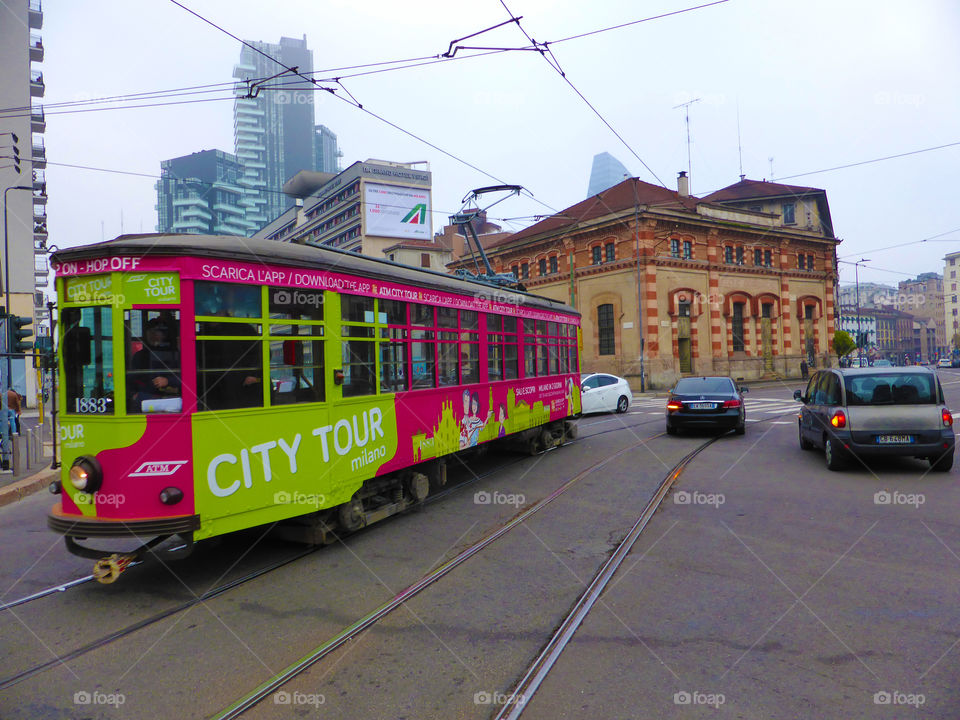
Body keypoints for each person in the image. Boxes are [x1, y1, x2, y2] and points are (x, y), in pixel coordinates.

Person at [129, 318, 181, 408]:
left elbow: (189, 377)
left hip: (172, 401)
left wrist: (168, 381)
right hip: (145, 400)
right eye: (150, 332)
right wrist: (134, 394)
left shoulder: (175, 354)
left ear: (164, 335)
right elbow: (132, 379)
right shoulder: (140, 356)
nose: (153, 336)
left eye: (156, 332)